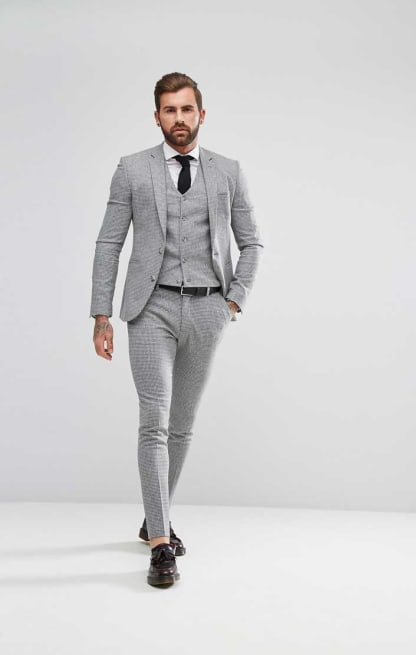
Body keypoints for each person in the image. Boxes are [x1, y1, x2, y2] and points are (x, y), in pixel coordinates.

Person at [90, 72, 263, 587]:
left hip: (209, 308)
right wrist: (102, 313)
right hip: (151, 308)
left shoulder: (228, 171)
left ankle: (154, 518)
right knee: (155, 421)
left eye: (187, 109)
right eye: (170, 110)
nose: (179, 119)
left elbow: (252, 242)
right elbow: (109, 243)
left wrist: (234, 299)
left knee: (182, 426)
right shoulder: (131, 169)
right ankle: (161, 544)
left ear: (201, 114)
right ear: (157, 117)